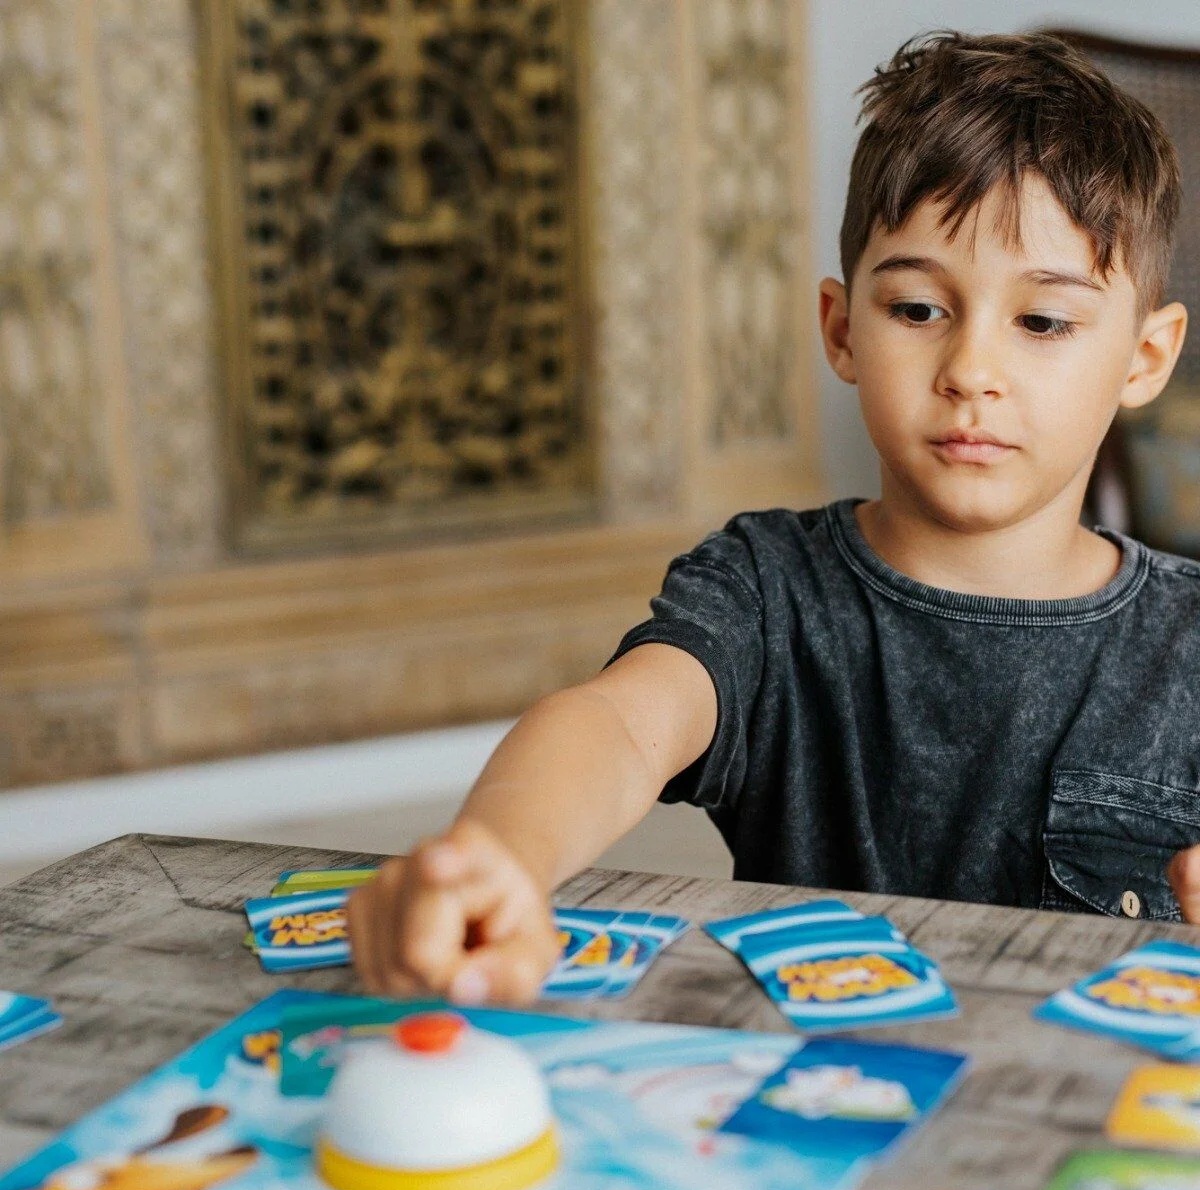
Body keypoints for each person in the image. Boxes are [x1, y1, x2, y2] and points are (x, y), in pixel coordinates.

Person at [349, 30, 1198, 1003]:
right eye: (918, 309)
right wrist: (496, 853)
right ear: (842, 328)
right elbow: (618, 727)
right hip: (801, 1113)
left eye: (1042, 322)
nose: (971, 371)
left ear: (1144, 357)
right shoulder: (766, 589)